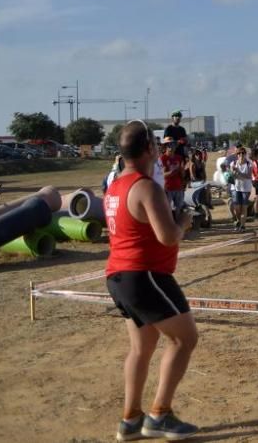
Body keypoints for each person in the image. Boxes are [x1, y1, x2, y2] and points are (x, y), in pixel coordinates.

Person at [104, 120, 199, 440]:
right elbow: (168, 236)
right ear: (149, 149)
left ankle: (130, 419)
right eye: (156, 145)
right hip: (145, 275)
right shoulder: (146, 187)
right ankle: (160, 414)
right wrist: (184, 220)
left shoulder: (115, 186)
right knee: (184, 339)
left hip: (119, 276)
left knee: (141, 348)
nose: (159, 150)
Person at [231, 147, 253, 231]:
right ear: (237, 155)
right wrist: (233, 172)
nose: (241, 155)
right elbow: (232, 176)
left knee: (244, 207)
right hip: (236, 188)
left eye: (243, 153)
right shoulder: (233, 163)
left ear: (245, 154)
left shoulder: (249, 163)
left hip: (246, 188)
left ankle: (243, 225)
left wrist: (238, 172)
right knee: (237, 207)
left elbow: (248, 176)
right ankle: (238, 221)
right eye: (239, 153)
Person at [160, 138, 185, 211]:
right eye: (169, 145)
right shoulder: (162, 158)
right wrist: (173, 171)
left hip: (178, 187)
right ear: (166, 146)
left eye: (173, 144)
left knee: (179, 210)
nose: (171, 146)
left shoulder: (179, 158)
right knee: (167, 210)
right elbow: (162, 175)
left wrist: (182, 171)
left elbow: (182, 175)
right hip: (168, 188)